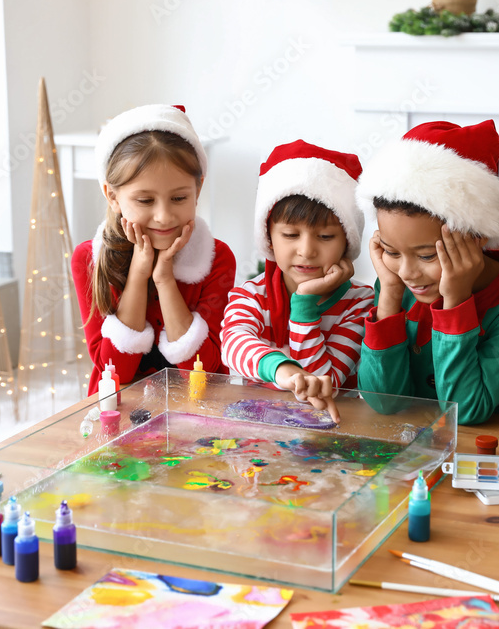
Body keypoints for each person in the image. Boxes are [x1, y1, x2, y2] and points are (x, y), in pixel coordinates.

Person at [355, 120, 499, 425]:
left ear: (477, 236)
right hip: (418, 443)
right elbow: (383, 401)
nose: (407, 272)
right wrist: (389, 297)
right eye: (392, 252)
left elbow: (465, 410)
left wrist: (456, 301)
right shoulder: (396, 283)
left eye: (425, 255)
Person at [72, 104, 235, 394]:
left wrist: (165, 280)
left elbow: (205, 372)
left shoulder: (216, 258)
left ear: (197, 189)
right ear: (112, 196)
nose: (163, 216)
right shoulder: (88, 259)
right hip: (119, 419)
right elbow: (115, 372)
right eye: (145, 201)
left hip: (198, 414)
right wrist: (138, 273)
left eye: (179, 198)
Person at [221, 140, 374, 422]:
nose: (306, 250)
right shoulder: (251, 294)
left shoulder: (361, 303)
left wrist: (304, 303)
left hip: (337, 433)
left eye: (325, 237)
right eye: (290, 235)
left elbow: (326, 383)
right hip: (262, 431)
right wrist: (287, 372)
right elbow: (233, 344)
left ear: (347, 242)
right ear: (268, 237)